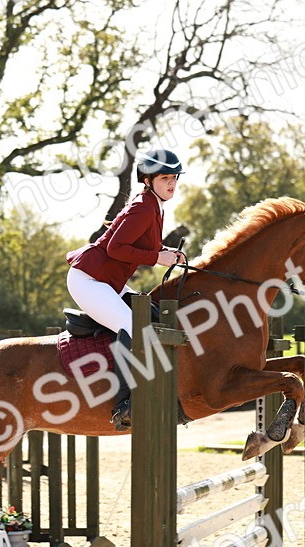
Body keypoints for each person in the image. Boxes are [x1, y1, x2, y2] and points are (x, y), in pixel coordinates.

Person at [65, 148, 187, 431]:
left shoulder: (154, 205)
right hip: (89, 279)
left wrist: (167, 252)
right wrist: (158, 258)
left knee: (154, 316)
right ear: (148, 180)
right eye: (165, 178)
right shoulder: (144, 207)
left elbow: (146, 247)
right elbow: (115, 248)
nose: (172, 183)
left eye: (174, 178)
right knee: (132, 326)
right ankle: (124, 405)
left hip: (107, 281)